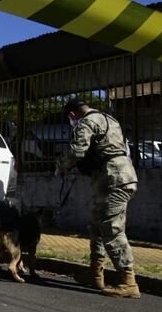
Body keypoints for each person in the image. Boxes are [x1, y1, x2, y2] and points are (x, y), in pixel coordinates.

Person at [55, 98, 140, 298]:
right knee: (97, 226)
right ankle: (95, 273)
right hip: (119, 176)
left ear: (72, 115)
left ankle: (129, 282)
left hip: (113, 178)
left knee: (112, 229)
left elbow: (76, 151)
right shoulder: (111, 120)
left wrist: (61, 166)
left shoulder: (85, 122)